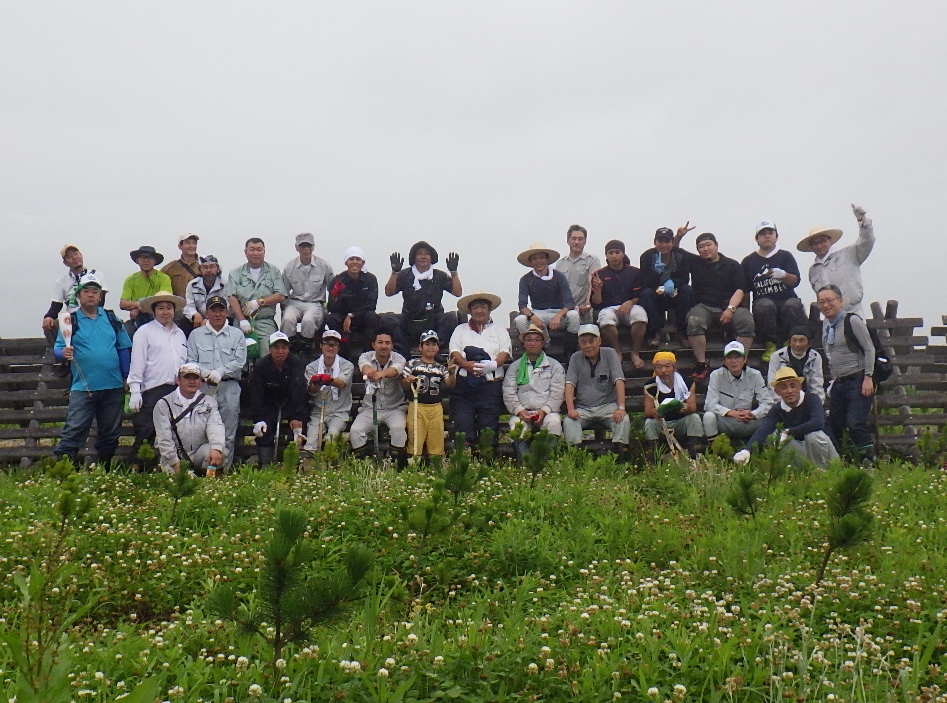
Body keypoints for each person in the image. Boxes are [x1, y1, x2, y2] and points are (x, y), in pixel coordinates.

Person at [53, 273, 131, 469]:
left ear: (100, 296)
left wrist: (126, 376)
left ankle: (104, 469)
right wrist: (64, 353)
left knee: (110, 433)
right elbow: (58, 349)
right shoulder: (69, 320)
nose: (90, 295)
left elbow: (123, 349)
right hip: (82, 386)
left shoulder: (113, 319)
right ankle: (63, 471)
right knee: (74, 430)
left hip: (113, 385)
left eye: (94, 292)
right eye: (86, 291)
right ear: (78, 296)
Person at [680, 231, 755, 383]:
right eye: (701, 246)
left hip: (730, 306)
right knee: (694, 320)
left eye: (709, 245)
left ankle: (740, 361)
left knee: (747, 321)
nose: (705, 249)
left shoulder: (732, 265)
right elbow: (674, 249)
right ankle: (702, 363)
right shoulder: (695, 262)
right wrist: (679, 236)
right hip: (704, 306)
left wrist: (730, 309)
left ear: (716, 245)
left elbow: (740, 290)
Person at [127, 292, 188, 467]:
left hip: (176, 390)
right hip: (152, 389)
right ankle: (136, 469)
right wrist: (135, 391)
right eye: (160, 308)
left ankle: (171, 470)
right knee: (147, 430)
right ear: (154, 311)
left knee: (173, 433)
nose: (165, 312)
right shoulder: (144, 332)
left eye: (169, 308)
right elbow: (137, 362)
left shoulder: (180, 334)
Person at [733, 367, 839, 468]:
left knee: (813, 435)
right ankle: (796, 473)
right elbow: (764, 429)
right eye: (783, 387)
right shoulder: (777, 409)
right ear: (777, 391)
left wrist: (788, 432)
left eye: (792, 386)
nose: (789, 391)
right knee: (775, 436)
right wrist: (747, 451)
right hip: (802, 451)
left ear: (800, 386)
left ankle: (822, 473)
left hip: (827, 454)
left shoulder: (812, 399)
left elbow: (817, 423)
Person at [817, 284, 876, 463]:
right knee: (837, 424)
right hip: (839, 382)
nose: (826, 305)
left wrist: (868, 377)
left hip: (857, 378)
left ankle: (870, 461)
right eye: (821, 302)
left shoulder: (852, 321)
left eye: (830, 300)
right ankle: (850, 460)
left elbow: (869, 349)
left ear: (840, 301)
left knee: (855, 423)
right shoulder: (827, 325)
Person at [186, 294, 247, 469]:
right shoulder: (196, 335)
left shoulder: (237, 334)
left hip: (229, 386)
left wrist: (220, 372)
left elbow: (239, 361)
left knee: (227, 431)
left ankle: (223, 471)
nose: (217, 314)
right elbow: (191, 360)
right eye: (213, 310)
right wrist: (206, 374)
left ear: (227, 312)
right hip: (204, 387)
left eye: (221, 310)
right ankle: (203, 470)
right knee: (202, 430)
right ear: (207, 312)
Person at [449, 292, 512, 450]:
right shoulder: (460, 330)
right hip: (464, 387)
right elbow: (454, 352)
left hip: (490, 386)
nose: (479, 311)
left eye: (483, 307)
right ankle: (464, 464)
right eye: (475, 307)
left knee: (488, 430)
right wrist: (466, 364)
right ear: (470, 310)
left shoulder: (500, 330)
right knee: (463, 427)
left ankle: (487, 465)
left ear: (489, 309)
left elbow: (504, 352)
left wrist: (492, 365)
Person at [741, 220, 807, 362]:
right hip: (763, 304)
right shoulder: (748, 261)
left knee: (793, 305)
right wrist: (745, 313)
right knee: (764, 305)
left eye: (770, 233)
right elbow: (745, 291)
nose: (767, 237)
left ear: (776, 236)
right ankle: (770, 344)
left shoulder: (786, 256)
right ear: (757, 239)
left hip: (786, 300)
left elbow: (795, 281)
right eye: (763, 234)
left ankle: (789, 343)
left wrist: (784, 275)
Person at [562, 324, 630, 462]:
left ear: (599, 341)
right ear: (579, 344)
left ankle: (621, 461)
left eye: (591, 341)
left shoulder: (610, 354)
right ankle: (577, 461)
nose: (588, 345)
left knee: (624, 420)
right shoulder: (575, 358)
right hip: (583, 408)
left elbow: (619, 380)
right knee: (569, 422)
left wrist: (621, 408)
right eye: (583, 342)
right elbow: (569, 384)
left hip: (608, 406)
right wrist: (570, 409)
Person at [385, 241, 461, 357]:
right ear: (414, 257)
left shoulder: (439, 275)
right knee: (388, 319)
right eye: (420, 254)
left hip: (433, 318)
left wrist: (454, 273)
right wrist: (395, 272)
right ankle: (403, 352)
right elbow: (389, 292)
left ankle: (437, 350)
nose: (423, 256)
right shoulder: (405, 274)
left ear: (431, 258)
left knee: (451, 317)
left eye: (427, 254)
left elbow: (457, 293)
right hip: (410, 318)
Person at [502, 323, 565, 462]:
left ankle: (546, 462)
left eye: (537, 340)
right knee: (516, 426)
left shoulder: (554, 366)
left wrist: (544, 411)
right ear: (524, 343)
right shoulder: (515, 366)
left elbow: (557, 392)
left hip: (547, 411)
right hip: (522, 412)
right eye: (529, 339)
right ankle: (526, 462)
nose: (533, 343)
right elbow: (508, 391)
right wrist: (519, 411)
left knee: (554, 423)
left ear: (543, 343)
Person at [800, 204, 875, 315]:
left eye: (822, 241)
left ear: (830, 240)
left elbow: (866, 242)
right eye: (815, 243)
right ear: (811, 247)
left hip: (853, 311)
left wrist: (863, 222)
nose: (819, 245)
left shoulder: (849, 254)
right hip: (829, 317)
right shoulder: (813, 270)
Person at [153, 363, 226, 476]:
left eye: (195, 378)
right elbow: (164, 439)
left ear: (200, 381)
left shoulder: (209, 402)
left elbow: (216, 427)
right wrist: (175, 465)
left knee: (222, 451)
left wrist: (216, 448)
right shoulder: (163, 404)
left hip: (199, 454)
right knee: (183, 484)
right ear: (178, 380)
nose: (192, 381)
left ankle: (208, 479)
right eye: (187, 377)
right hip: (174, 457)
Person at [350, 330, 409, 467]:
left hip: (394, 408)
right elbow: (364, 366)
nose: (384, 346)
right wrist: (368, 371)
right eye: (380, 342)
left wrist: (380, 374)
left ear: (392, 345)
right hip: (370, 408)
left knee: (398, 429)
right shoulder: (365, 356)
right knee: (355, 430)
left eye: (387, 343)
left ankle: (395, 465)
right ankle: (365, 466)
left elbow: (395, 370)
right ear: (373, 344)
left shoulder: (399, 358)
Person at [249, 331, 308, 466]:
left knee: (299, 427)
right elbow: (257, 394)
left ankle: (293, 464)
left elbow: (299, 391)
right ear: (270, 349)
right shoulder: (261, 365)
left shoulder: (296, 362)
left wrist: (298, 417)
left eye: (284, 347)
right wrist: (258, 419)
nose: (280, 351)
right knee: (264, 430)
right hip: (269, 404)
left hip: (290, 404)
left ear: (288, 349)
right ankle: (266, 465)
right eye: (276, 347)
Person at [589, 239, 648, 369]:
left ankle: (635, 353)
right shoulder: (598, 274)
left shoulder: (635, 272)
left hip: (630, 306)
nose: (614, 255)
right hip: (609, 308)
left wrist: (630, 302)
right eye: (610, 252)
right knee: (605, 319)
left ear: (623, 254)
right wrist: (597, 290)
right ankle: (616, 351)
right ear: (606, 255)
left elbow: (639, 295)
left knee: (640, 316)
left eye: (617, 252)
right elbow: (596, 303)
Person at [702, 341, 773, 443]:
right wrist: (731, 413)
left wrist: (753, 414)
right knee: (708, 416)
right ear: (725, 361)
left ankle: (763, 449)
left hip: (748, 421)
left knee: (771, 418)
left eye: (737, 357)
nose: (733, 361)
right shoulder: (716, 375)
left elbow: (768, 403)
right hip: (726, 421)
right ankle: (714, 450)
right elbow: (709, 404)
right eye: (729, 358)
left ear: (745, 359)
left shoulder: (755, 375)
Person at [227, 237, 287, 357]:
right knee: (236, 353)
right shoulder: (235, 273)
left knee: (268, 353)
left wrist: (260, 302)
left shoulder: (273, 271)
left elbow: (281, 295)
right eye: (252, 249)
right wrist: (242, 320)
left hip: (265, 321)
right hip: (242, 321)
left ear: (264, 252)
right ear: (245, 252)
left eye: (259, 250)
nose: (255, 253)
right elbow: (232, 297)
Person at [402, 330, 456, 461]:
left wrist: (452, 372)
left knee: (436, 442)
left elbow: (450, 384)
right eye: (427, 344)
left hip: (435, 407)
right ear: (420, 347)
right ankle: (413, 469)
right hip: (417, 406)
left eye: (433, 344)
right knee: (415, 440)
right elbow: (403, 384)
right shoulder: (412, 364)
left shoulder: (441, 367)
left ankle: (435, 469)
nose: (431, 347)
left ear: (438, 347)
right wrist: (408, 380)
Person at [514, 243, 580, 348]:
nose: (539, 261)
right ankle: (539, 347)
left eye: (542, 257)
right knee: (520, 320)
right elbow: (522, 305)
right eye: (534, 259)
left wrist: (558, 316)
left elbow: (569, 302)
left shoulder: (559, 276)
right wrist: (533, 317)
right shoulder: (525, 279)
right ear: (531, 262)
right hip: (538, 313)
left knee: (574, 316)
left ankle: (570, 349)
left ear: (547, 259)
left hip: (559, 312)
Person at [638, 226, 694, 347]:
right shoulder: (647, 256)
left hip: (674, 293)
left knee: (687, 290)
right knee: (646, 293)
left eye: (667, 241)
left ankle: (682, 331)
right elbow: (645, 282)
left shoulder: (680, 255)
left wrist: (673, 283)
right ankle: (654, 332)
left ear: (672, 242)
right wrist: (657, 275)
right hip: (655, 294)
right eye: (660, 241)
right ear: (655, 242)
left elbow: (684, 278)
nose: (663, 245)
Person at [42, 244, 107, 346]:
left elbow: (101, 301)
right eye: (69, 256)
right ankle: (59, 351)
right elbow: (56, 306)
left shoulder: (97, 275)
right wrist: (48, 317)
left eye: (76, 254)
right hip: (71, 318)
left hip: (93, 313)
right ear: (65, 263)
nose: (74, 257)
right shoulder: (61, 281)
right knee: (49, 324)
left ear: (81, 255)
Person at [281, 232, 333, 355]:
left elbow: (333, 287)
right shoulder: (289, 267)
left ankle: (305, 349)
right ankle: (290, 349)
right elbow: (284, 291)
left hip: (315, 303)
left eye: (309, 246)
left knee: (308, 321)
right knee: (288, 319)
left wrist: (328, 307)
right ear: (296, 247)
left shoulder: (324, 266)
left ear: (313, 247)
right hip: (294, 302)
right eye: (302, 246)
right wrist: (284, 309)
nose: (306, 249)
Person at [303, 329, 355, 452]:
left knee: (332, 436)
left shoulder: (347, 365)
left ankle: (329, 465)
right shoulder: (311, 367)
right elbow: (312, 391)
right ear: (321, 346)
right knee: (311, 440)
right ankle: (309, 466)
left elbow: (342, 383)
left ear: (338, 348)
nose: (330, 348)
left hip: (339, 411)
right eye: (327, 344)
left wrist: (328, 380)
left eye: (334, 345)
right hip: (319, 410)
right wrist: (316, 383)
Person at [325, 246, 381, 359]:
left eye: (358, 259)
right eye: (351, 259)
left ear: (363, 262)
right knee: (331, 319)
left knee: (372, 317)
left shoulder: (370, 279)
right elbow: (331, 308)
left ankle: (368, 354)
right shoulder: (338, 280)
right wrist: (335, 296)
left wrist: (352, 315)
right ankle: (343, 353)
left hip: (361, 317)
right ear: (346, 262)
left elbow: (371, 305)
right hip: (343, 318)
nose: (355, 262)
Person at [642, 351, 703, 455]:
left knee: (694, 418)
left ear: (674, 368)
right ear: (655, 369)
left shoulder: (687, 383)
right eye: (659, 367)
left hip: (680, 421)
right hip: (661, 423)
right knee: (649, 423)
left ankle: (695, 453)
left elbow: (693, 407)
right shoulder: (649, 386)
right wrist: (654, 412)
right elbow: (647, 411)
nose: (663, 370)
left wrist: (686, 407)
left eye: (667, 366)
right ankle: (652, 456)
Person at [120, 245, 174, 333]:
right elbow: (122, 304)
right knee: (124, 332)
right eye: (143, 257)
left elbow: (164, 298)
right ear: (137, 260)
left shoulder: (163, 278)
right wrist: (138, 305)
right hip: (137, 318)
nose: (146, 260)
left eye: (150, 258)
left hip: (158, 317)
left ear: (155, 261)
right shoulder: (130, 279)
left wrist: (136, 307)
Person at [767, 325, 826, 404]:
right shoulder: (777, 356)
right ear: (789, 342)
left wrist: (817, 404)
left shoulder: (815, 357)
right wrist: (781, 404)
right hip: (782, 401)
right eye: (794, 340)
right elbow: (772, 384)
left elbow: (817, 383)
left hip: (807, 399)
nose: (797, 344)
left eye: (802, 341)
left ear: (809, 343)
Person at [555, 224, 601, 324]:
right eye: (574, 239)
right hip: (564, 309)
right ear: (568, 241)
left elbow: (592, 284)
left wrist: (588, 304)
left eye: (580, 239)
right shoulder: (560, 263)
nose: (577, 242)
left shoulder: (592, 260)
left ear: (585, 241)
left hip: (584, 309)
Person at [183, 255, 228, 328]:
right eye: (205, 267)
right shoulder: (192, 284)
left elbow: (227, 307)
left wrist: (208, 319)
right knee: (184, 321)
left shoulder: (224, 285)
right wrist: (194, 314)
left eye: (212, 266)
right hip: (198, 320)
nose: (209, 270)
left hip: (218, 317)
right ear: (200, 270)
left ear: (218, 269)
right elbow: (188, 305)